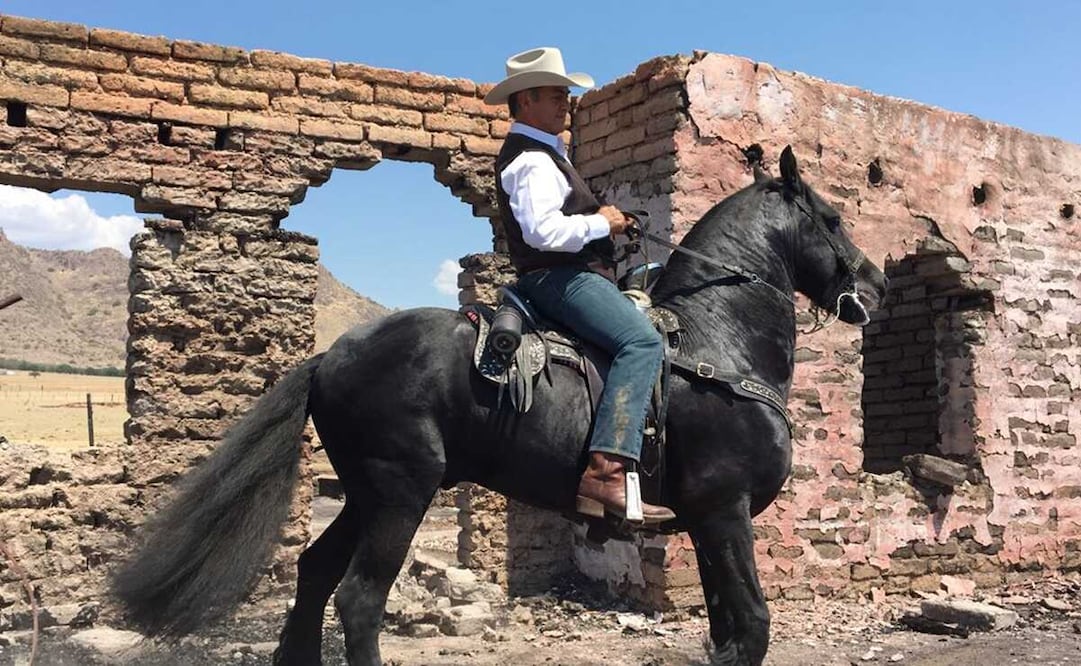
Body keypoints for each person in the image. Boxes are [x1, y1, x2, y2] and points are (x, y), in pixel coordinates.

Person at [484, 47, 675, 525]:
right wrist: (601, 223)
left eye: (565, 95)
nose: (564, 104)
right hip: (559, 278)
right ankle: (606, 473)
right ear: (525, 100)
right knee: (641, 342)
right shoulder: (531, 160)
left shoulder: (549, 154)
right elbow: (542, 233)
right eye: (554, 95)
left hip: (564, 275)